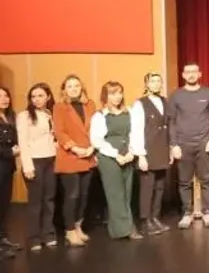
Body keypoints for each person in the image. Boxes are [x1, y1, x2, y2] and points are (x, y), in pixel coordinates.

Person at [89, 81, 143, 240]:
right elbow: (97, 140)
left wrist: (132, 152)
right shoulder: (100, 115)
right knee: (115, 194)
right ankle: (126, 229)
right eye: (113, 93)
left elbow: (136, 134)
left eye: (119, 93)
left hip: (127, 155)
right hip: (109, 157)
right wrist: (115, 155)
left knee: (127, 193)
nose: (117, 97)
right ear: (105, 96)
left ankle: (118, 228)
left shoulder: (129, 112)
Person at [167, 63, 209, 229]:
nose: (191, 74)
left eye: (194, 71)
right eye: (188, 72)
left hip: (204, 143)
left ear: (200, 74)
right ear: (183, 75)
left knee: (206, 180)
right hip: (183, 144)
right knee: (184, 181)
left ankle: (207, 212)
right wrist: (174, 144)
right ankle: (187, 213)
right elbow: (171, 121)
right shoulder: (176, 95)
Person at [52, 74, 98, 245]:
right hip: (70, 156)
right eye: (69, 86)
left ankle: (78, 226)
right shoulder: (59, 107)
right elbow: (59, 131)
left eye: (76, 86)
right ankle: (69, 230)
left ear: (81, 88)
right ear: (64, 90)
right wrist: (75, 148)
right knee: (72, 195)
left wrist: (92, 148)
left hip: (88, 155)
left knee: (84, 195)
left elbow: (95, 128)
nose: (73, 89)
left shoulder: (90, 104)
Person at [16, 83, 58, 250]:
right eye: (33, 96)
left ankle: (48, 234)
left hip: (50, 159)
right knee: (35, 201)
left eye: (40, 95)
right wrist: (27, 166)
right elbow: (23, 141)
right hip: (34, 161)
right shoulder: (24, 116)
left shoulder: (50, 113)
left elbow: (53, 137)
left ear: (48, 97)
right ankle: (33, 237)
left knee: (49, 199)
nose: (36, 99)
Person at [130, 72, 171, 235]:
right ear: (146, 84)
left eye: (158, 81)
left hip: (162, 149)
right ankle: (145, 220)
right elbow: (136, 130)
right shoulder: (140, 104)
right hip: (148, 150)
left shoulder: (165, 101)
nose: (156, 84)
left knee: (159, 187)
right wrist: (140, 155)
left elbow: (168, 127)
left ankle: (155, 217)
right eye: (152, 81)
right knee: (147, 187)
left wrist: (169, 150)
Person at [0, 87, 17, 255]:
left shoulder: (10, 117)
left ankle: (3, 239)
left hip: (8, 167)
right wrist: (10, 151)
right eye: (0, 96)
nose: (4, 99)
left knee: (4, 204)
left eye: (6, 95)